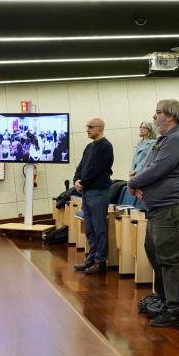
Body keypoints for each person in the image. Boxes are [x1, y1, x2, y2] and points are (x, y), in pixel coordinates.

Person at [128, 99, 179, 327]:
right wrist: (136, 179)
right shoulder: (163, 139)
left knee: (170, 257)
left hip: (172, 207)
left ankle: (178, 309)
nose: (154, 117)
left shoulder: (176, 139)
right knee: (154, 250)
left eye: (158, 113)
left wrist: (133, 182)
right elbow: (147, 165)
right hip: (158, 208)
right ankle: (165, 298)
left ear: (171, 115)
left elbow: (157, 170)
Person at [72, 117, 114, 274]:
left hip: (98, 192)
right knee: (89, 228)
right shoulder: (89, 147)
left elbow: (96, 170)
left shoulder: (106, 146)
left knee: (99, 228)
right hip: (87, 192)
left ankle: (100, 261)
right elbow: (81, 166)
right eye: (87, 126)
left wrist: (82, 183)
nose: (87, 129)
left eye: (91, 126)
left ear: (100, 128)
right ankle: (91, 259)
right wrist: (76, 180)